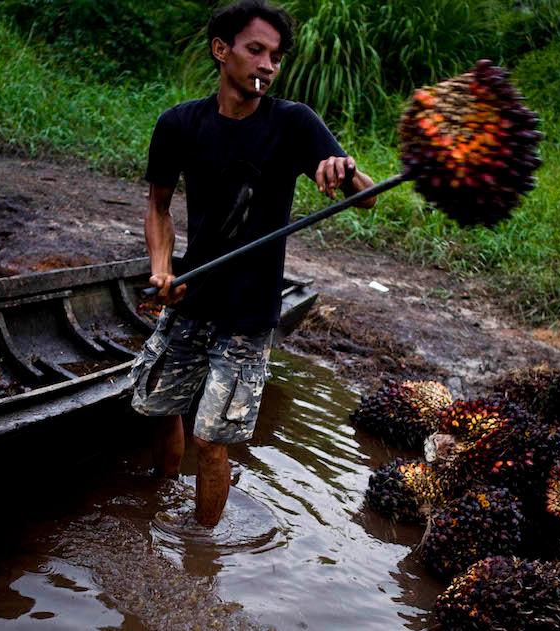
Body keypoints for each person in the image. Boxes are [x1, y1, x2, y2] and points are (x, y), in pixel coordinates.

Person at [129, 0, 378, 527]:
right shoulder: (179, 124)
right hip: (193, 295)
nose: (268, 64)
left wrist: (346, 169)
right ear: (222, 51)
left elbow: (367, 198)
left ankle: (200, 556)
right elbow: (157, 206)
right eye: (256, 50)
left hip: (249, 312)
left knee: (211, 438)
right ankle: (157, 508)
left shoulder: (293, 123)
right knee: (157, 408)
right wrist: (161, 268)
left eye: (276, 56)